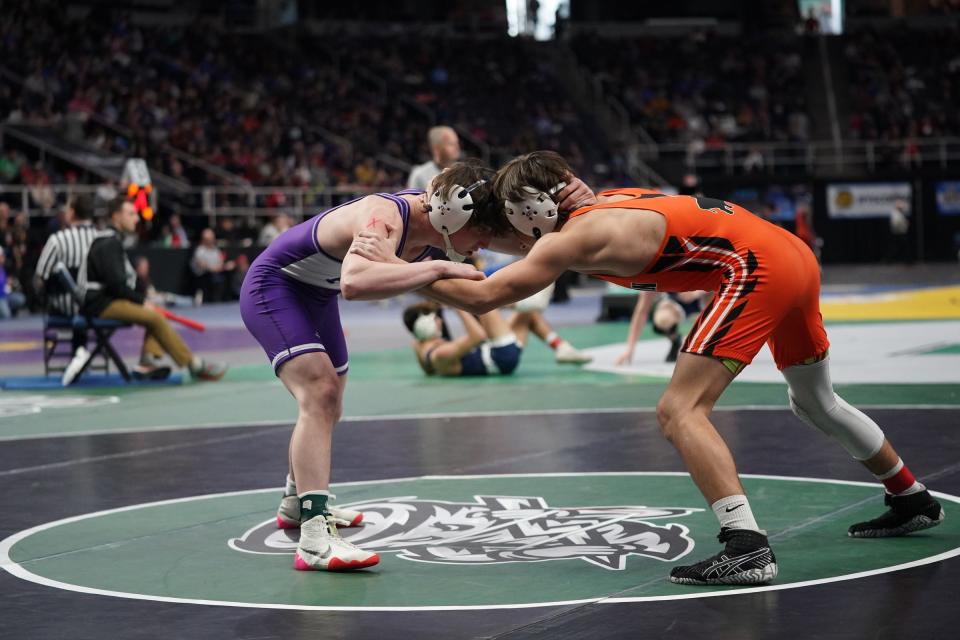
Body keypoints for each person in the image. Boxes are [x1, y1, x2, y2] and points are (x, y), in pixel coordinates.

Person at [405, 150, 944, 586]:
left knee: (679, 409)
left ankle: (746, 547)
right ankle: (910, 496)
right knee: (814, 401)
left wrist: (398, 267)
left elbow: (486, 297)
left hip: (755, 270)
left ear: (532, 212)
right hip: (792, 256)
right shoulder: (604, 207)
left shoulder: (574, 238)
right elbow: (517, 236)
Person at [242, 159, 592, 572]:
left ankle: (295, 502)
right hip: (276, 286)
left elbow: (529, 243)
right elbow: (355, 282)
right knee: (320, 394)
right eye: (479, 231)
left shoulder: (451, 223)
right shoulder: (384, 216)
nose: (484, 243)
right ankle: (315, 539)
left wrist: (582, 205)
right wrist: (439, 266)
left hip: (317, 294)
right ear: (451, 213)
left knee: (330, 403)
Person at [77, 196, 227, 383]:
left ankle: (148, 361)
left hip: (107, 300)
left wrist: (143, 300)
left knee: (154, 315)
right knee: (155, 316)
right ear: (116, 217)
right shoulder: (108, 243)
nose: (136, 218)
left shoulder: (111, 240)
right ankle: (193, 364)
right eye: (130, 214)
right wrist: (141, 301)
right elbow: (117, 286)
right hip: (100, 304)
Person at [33, 195, 100, 362]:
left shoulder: (58, 240)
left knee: (70, 298)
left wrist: (42, 295)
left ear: (71, 213)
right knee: (84, 300)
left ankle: (78, 357)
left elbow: (40, 276)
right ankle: (81, 353)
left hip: (65, 306)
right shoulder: (103, 238)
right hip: (96, 304)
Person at [402, 301, 530, 377]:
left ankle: (551, 343)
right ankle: (523, 299)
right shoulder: (440, 354)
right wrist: (457, 305)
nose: (440, 321)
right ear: (425, 326)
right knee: (483, 299)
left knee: (529, 314)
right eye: (436, 319)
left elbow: (428, 370)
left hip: (501, 356)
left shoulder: (421, 349)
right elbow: (479, 336)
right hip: (500, 355)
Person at [616, 291, 709, 365]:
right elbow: (641, 311)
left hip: (706, 296)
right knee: (663, 319)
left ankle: (708, 342)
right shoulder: (652, 275)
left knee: (715, 291)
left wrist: (699, 291)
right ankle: (676, 339)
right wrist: (629, 349)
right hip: (677, 303)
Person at [406, 125, 462, 192]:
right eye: (451, 144)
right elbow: (411, 200)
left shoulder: (464, 172)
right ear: (437, 149)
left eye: (457, 142)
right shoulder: (419, 175)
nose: (457, 147)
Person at [191, 228, 235, 303]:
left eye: (212, 238)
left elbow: (220, 263)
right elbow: (204, 266)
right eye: (208, 239)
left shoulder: (216, 250)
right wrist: (219, 268)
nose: (211, 241)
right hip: (204, 277)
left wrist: (226, 266)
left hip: (216, 274)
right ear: (203, 240)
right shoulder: (200, 251)